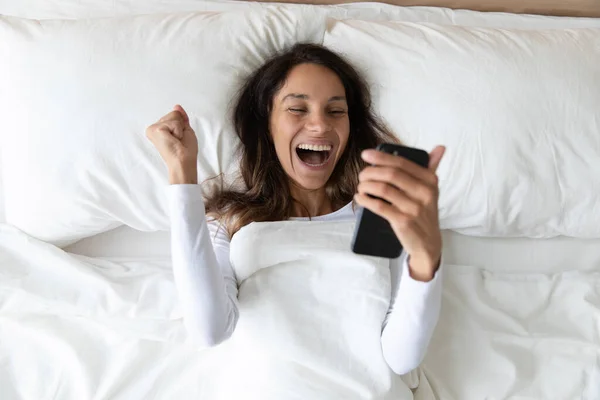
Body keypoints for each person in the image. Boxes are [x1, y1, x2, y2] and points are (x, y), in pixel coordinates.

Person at [146, 43, 445, 387]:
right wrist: (182, 175)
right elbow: (209, 329)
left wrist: (426, 260)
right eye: (298, 109)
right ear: (267, 125)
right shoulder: (230, 218)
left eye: (336, 111)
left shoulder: (382, 213)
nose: (319, 125)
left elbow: (401, 357)